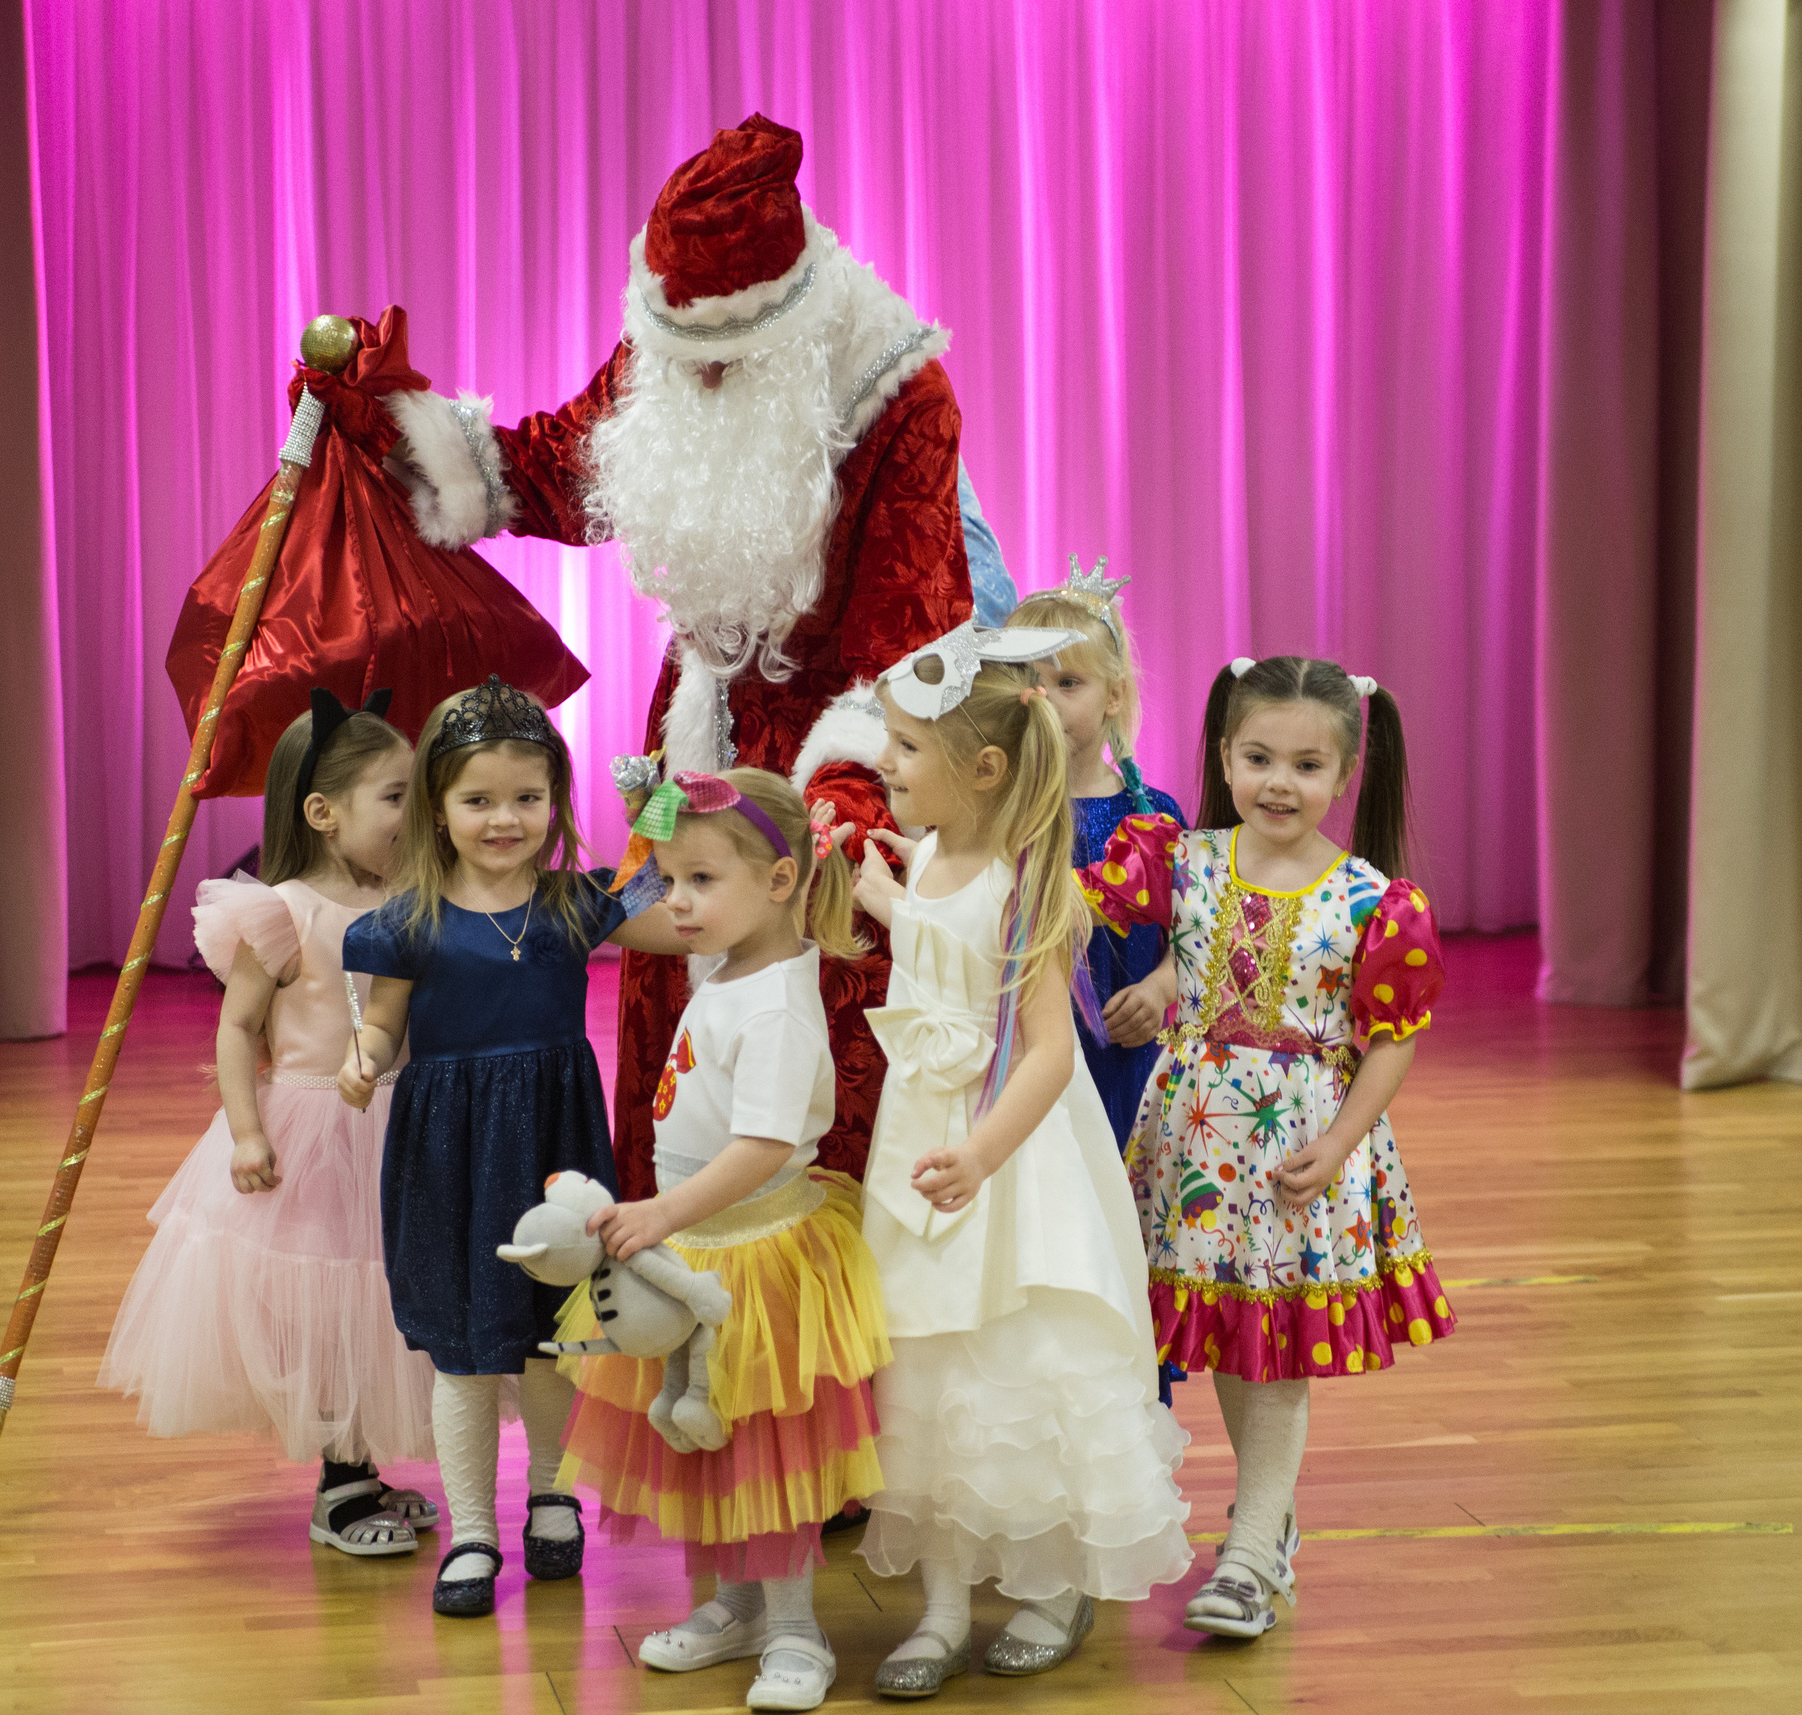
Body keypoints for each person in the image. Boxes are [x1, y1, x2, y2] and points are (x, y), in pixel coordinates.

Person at [380, 113, 971, 1201]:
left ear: (782, 321)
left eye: (722, 360)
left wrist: (842, 797)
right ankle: (670, 1276)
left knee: (811, 1047)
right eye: (678, 352)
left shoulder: (897, 397)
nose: (694, 378)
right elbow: (564, 466)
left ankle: (802, 1321)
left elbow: (914, 635)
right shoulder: (669, 334)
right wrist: (395, 437)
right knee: (669, 982)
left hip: (830, 766)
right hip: (687, 746)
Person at [848, 620, 1193, 1700]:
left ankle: (1051, 1585)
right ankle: (944, 1602)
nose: (886, 766)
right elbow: (929, 950)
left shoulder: (1026, 876)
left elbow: (1049, 1050)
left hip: (1005, 1152)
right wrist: (875, 896)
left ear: (981, 768)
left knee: (1021, 1353)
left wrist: (985, 1152)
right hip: (921, 1139)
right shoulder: (932, 853)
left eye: (905, 749)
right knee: (930, 1362)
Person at [1081, 656, 1455, 1643]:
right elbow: (1122, 925)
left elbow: (1391, 1039)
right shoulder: (1182, 857)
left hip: (1299, 1159)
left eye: (1305, 763)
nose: (1278, 782)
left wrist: (1337, 1142)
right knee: (1231, 1343)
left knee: (1277, 1346)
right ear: (1223, 755)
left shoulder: (1375, 901)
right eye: (1257, 757)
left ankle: (1248, 1554)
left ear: (1344, 774)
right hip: (1197, 1148)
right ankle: (1267, 1519)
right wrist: (1161, 988)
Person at [336, 678, 683, 1618]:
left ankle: (555, 1491)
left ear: (555, 803)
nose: (505, 819)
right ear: (438, 811)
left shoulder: (572, 904)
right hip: (448, 1151)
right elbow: (382, 1026)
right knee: (464, 1348)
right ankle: (473, 1533)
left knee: (552, 1337)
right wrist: (363, 1060)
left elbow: (669, 907)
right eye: (478, 800)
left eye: (527, 798)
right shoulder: (408, 922)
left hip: (555, 1148)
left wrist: (653, 807)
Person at [552, 768, 891, 1713]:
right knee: (706, 1442)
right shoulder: (730, 962)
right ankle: (735, 1605)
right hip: (702, 1247)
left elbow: (765, 1144)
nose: (678, 903)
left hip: (760, 1250)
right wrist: (653, 823)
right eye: (673, 880)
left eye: (700, 882)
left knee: (769, 1450)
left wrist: (661, 1215)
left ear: (780, 883)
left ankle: (794, 1628)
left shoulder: (779, 1003)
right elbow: (647, 888)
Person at [100, 689, 439, 1558]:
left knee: (386, 1294)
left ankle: (359, 1463)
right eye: (396, 796)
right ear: (323, 813)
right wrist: (248, 1132)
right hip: (315, 1129)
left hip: (401, 1121)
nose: (417, 812)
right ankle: (338, 1490)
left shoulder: (413, 899)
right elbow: (237, 1028)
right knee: (329, 1300)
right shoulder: (282, 910)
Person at [1004, 562, 1185, 1145]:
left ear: (1114, 696)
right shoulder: (998, 816)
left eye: (1067, 683)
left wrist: (1161, 987)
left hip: (1129, 1054)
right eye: (1026, 681)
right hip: (1026, 1057)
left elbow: (1199, 933)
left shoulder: (1154, 817)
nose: (1043, 700)